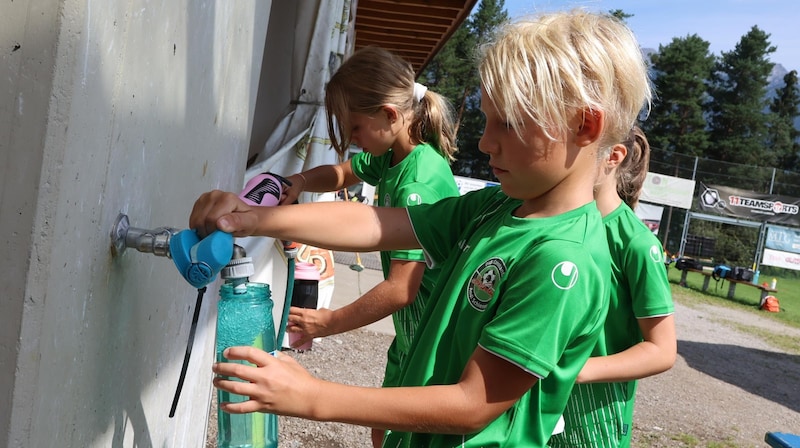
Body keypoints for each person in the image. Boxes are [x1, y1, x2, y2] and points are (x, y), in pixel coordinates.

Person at [191, 9, 652, 447]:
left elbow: (474, 403)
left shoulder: (563, 259)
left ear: (585, 126)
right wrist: (251, 217)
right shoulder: (496, 206)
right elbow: (377, 224)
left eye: (507, 125)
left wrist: (314, 396)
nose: (485, 141)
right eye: (487, 120)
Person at [278, 45, 460, 446]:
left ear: (389, 115)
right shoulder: (394, 156)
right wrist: (301, 182)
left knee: (402, 433)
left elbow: (401, 288)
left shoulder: (418, 183)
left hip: (435, 338)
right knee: (384, 429)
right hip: (413, 335)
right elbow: (343, 173)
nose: (353, 139)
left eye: (355, 128)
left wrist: (329, 321)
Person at [550, 126, 676, 447]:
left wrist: (577, 369)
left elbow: (662, 350)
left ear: (612, 157)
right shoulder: (553, 225)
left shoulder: (636, 243)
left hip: (593, 423)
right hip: (536, 404)